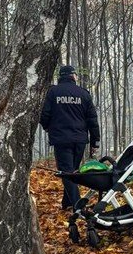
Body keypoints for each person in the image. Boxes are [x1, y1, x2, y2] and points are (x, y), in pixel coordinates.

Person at [40, 65, 101, 210]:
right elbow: (92, 120)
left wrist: (47, 127)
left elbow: (44, 116)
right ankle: (67, 203)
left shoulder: (53, 92)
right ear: (73, 76)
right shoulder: (83, 94)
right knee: (72, 171)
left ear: (61, 77)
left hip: (61, 139)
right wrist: (95, 142)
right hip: (80, 140)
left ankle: (78, 206)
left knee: (68, 173)